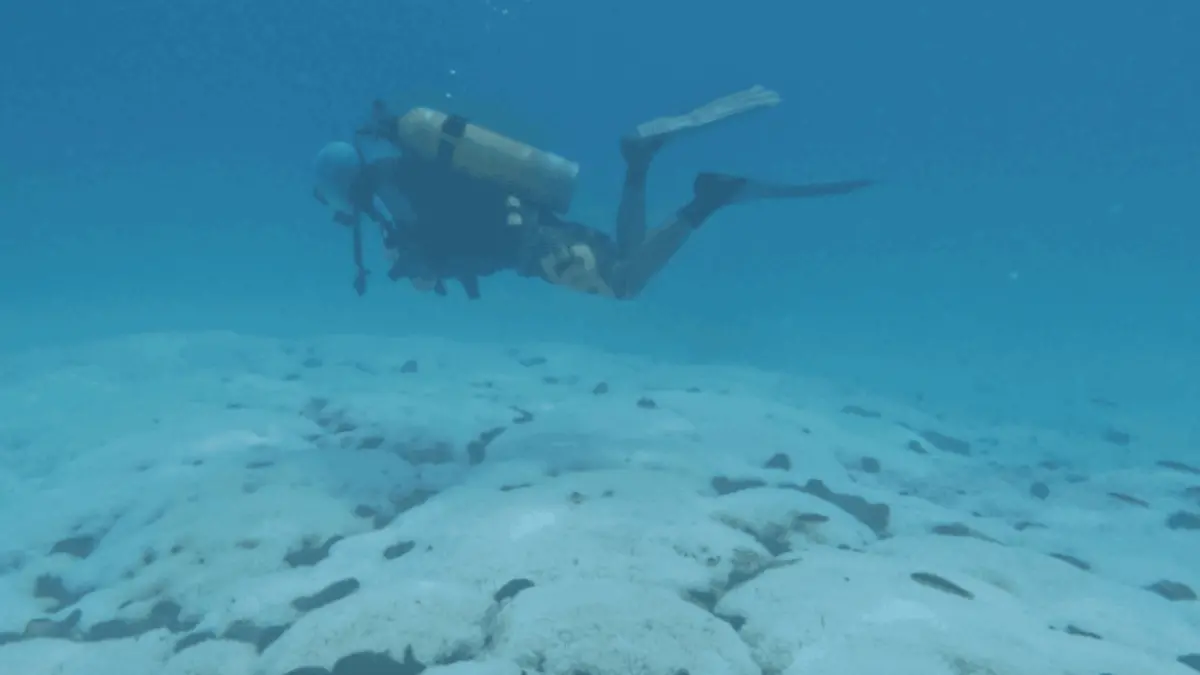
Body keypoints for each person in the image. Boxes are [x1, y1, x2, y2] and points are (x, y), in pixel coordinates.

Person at [312, 85, 872, 300]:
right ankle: (639, 161)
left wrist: (409, 266)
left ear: (339, 190)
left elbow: (433, 260)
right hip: (531, 225)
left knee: (625, 282)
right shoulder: (400, 170)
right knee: (628, 255)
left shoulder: (392, 200)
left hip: (531, 246)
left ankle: (708, 198)